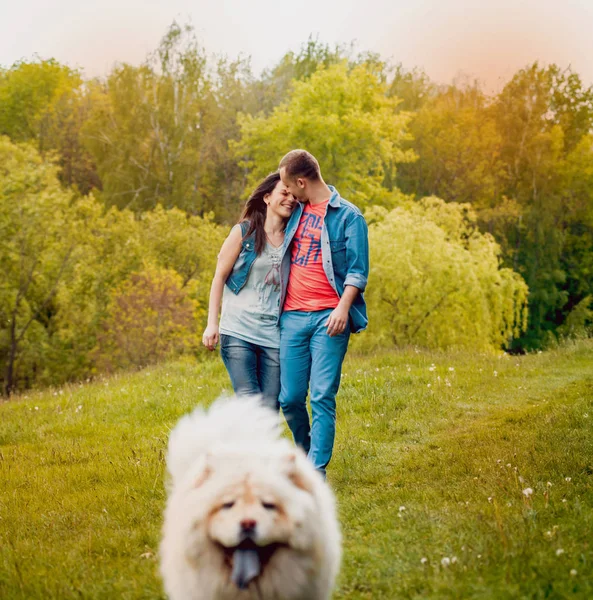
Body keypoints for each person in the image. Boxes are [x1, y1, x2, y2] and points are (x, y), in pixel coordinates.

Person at [277, 149, 369, 477]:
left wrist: (343, 308)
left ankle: (315, 474)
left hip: (328, 318)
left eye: (290, 186)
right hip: (291, 317)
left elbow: (358, 271)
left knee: (321, 396)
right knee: (288, 399)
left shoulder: (349, 217)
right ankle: (305, 455)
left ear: (302, 181)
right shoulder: (296, 212)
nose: (288, 192)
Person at [202, 172, 295, 409]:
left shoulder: (294, 238)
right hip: (238, 332)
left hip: (273, 336)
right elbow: (219, 277)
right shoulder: (244, 232)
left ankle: (236, 443)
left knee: (270, 409)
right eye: (284, 193)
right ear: (266, 197)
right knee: (251, 405)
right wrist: (212, 324)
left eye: (294, 194)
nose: (290, 198)